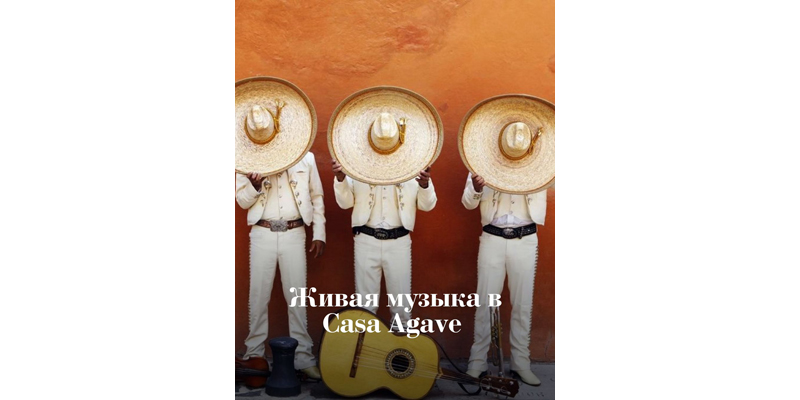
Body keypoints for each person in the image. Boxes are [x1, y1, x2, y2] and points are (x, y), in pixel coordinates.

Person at [235, 151, 326, 379]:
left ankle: (303, 358)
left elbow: (316, 196)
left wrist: (319, 233)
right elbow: (242, 201)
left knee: (297, 296)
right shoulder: (247, 159)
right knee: (258, 297)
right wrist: (255, 186)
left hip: (295, 232)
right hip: (262, 232)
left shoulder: (307, 158)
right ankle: (254, 355)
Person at [462, 172, 547, 386]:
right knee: (485, 302)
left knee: (522, 304)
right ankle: (477, 362)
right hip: (492, 238)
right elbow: (467, 203)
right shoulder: (480, 161)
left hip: (525, 238)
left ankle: (521, 363)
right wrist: (476, 188)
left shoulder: (543, 161)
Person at [332, 159, 436, 326]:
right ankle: (364, 343)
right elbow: (345, 203)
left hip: (399, 241)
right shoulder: (356, 165)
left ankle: (401, 342)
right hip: (365, 239)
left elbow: (427, 205)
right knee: (364, 307)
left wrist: (424, 184)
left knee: (401, 308)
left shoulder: (414, 165)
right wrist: (340, 178)